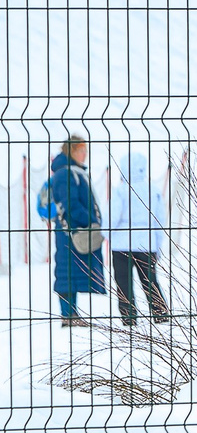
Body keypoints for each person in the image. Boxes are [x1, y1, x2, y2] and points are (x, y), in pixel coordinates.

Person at [39, 137, 105, 326]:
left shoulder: (72, 172)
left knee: (71, 273)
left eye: (86, 150)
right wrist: (92, 221)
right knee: (66, 272)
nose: (85, 154)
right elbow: (71, 205)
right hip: (71, 232)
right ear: (71, 151)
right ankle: (68, 315)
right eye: (81, 150)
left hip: (73, 231)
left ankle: (72, 314)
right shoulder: (65, 174)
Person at [107, 153, 173, 325]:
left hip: (121, 246)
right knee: (150, 281)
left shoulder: (120, 191)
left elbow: (111, 218)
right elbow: (160, 220)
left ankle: (128, 316)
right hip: (146, 244)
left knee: (123, 283)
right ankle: (160, 313)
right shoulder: (153, 191)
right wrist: (157, 245)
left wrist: (107, 235)